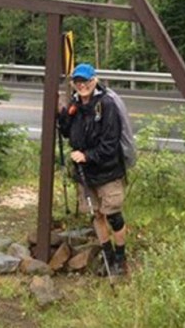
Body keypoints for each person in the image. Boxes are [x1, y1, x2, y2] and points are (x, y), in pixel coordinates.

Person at [58, 62, 128, 276]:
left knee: (114, 216)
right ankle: (107, 258)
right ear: (74, 84)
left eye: (86, 81)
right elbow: (68, 133)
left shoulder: (106, 104)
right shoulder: (75, 104)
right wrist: (61, 114)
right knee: (96, 215)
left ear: (94, 80)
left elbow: (110, 144)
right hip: (86, 175)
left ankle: (120, 260)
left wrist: (87, 156)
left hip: (108, 172)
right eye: (78, 82)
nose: (82, 85)